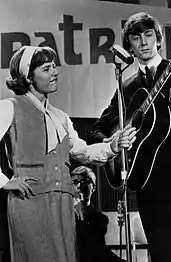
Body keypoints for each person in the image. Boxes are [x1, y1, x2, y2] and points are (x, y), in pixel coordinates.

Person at [88, 9, 171, 262]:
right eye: (136, 38)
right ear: (130, 46)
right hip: (146, 179)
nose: (144, 42)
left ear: (159, 39)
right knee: (161, 251)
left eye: (149, 35)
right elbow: (98, 129)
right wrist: (113, 143)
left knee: (170, 248)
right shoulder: (126, 87)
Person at [0, 45, 136, 262]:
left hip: (63, 205)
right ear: (28, 76)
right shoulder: (10, 107)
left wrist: (112, 147)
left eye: (54, 66)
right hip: (29, 203)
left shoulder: (61, 117)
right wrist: (5, 182)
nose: (55, 72)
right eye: (46, 68)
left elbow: (82, 152)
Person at [71, 165, 126, 262]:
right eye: (75, 182)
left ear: (94, 187)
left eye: (85, 182)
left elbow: (94, 249)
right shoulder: (64, 216)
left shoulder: (100, 219)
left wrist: (80, 211)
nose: (79, 186)